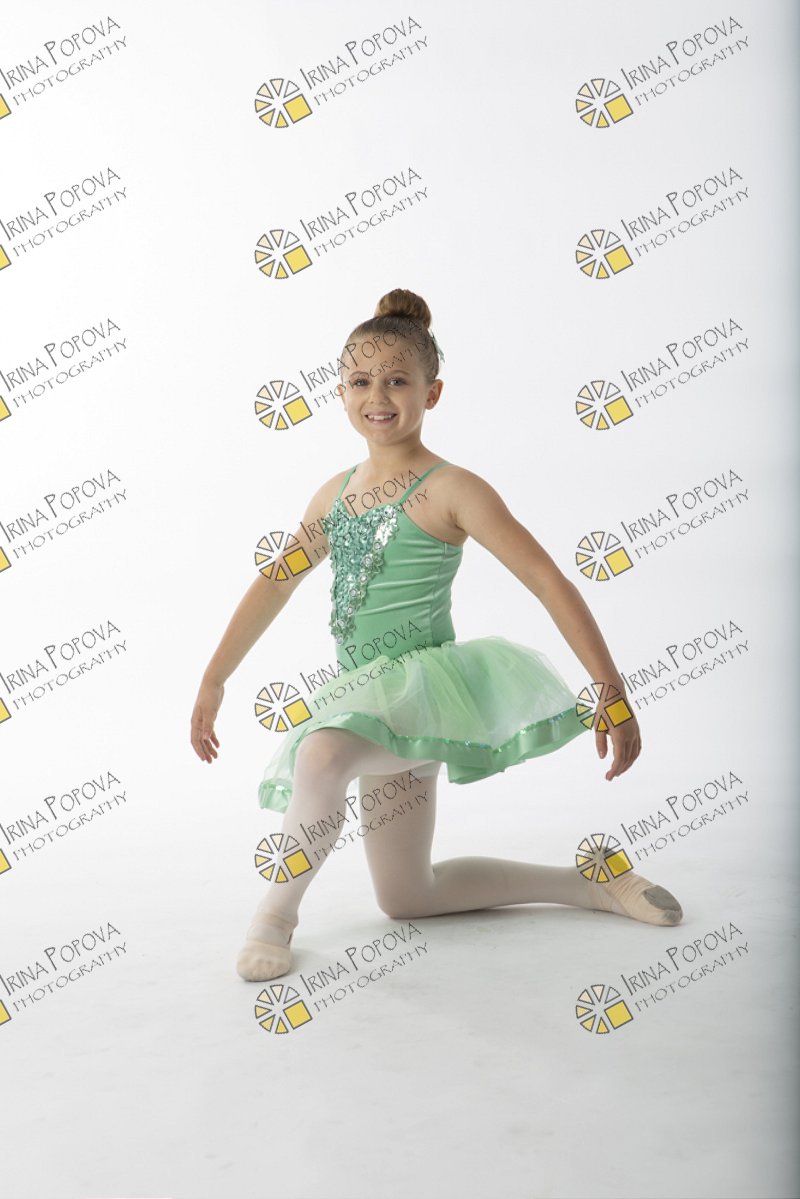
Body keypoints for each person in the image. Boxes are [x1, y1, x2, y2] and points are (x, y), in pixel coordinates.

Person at [190, 287, 682, 983]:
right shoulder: (334, 494)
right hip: (366, 697)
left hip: (424, 694)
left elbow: (547, 581)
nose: (378, 396)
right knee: (407, 896)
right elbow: (276, 582)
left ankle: (274, 917)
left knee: (321, 756)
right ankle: (591, 882)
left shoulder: (453, 489)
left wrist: (610, 685)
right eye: (361, 381)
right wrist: (215, 678)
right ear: (341, 392)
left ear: (433, 391)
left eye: (397, 380)